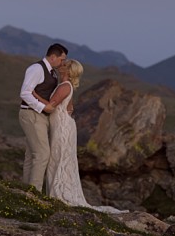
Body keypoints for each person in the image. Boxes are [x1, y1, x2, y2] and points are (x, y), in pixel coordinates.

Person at [46, 59, 126, 214]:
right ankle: (57, 191)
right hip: (65, 125)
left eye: (64, 65)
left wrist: (32, 95)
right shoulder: (67, 87)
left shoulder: (63, 87)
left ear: (68, 71)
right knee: (61, 159)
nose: (60, 66)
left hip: (62, 128)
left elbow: (50, 105)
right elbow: (69, 108)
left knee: (58, 158)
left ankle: (59, 193)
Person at [19, 43, 68, 192]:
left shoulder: (51, 72)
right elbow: (25, 93)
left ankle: (26, 191)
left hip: (39, 115)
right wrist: (43, 107)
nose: (63, 63)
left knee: (31, 154)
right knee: (42, 154)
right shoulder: (36, 69)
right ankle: (34, 193)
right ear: (53, 57)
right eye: (61, 59)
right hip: (32, 114)